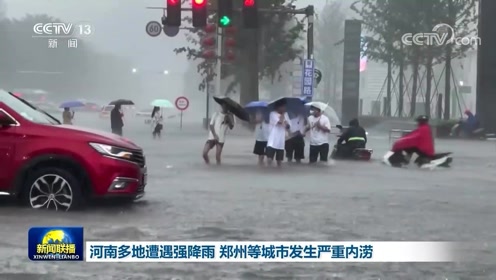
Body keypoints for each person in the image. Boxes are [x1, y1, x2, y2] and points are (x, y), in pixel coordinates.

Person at [266, 100, 291, 167]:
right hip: (272, 141)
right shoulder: (272, 114)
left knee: (279, 161)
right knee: (269, 159)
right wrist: (283, 115)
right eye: (283, 107)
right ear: (278, 107)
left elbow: (288, 126)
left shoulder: (286, 115)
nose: (285, 108)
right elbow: (279, 122)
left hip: (281, 142)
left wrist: (286, 123)